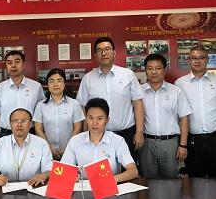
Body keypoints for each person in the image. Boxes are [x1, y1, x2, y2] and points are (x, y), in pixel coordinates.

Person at [76, 36, 145, 166]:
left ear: (114, 52)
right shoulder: (88, 79)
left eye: (107, 49)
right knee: (100, 172)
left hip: (127, 134)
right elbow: (83, 108)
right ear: (95, 55)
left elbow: (137, 103)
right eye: (99, 50)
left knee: (128, 171)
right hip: (98, 136)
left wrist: (139, 132)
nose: (104, 53)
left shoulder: (128, 75)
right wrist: (86, 134)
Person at [175, 45, 216, 178]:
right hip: (192, 139)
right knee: (195, 179)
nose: (197, 61)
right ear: (189, 60)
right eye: (193, 58)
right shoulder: (179, 83)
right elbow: (178, 113)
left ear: (207, 60)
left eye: (201, 57)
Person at [61, 98, 138, 183]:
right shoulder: (75, 141)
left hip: (109, 187)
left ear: (107, 120)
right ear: (86, 119)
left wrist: (114, 179)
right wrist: (70, 175)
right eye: (91, 118)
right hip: (83, 189)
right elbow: (63, 169)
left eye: (100, 118)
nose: (95, 123)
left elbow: (133, 171)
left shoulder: (117, 141)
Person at [141, 54, 192, 179]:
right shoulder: (138, 92)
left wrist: (183, 145)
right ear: (145, 71)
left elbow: (184, 119)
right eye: (150, 68)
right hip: (146, 143)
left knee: (171, 181)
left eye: (158, 68)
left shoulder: (176, 91)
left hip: (170, 143)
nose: (154, 72)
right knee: (148, 181)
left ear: (164, 70)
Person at [0, 108, 53, 186]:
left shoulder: (42, 143)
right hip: (6, 188)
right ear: (10, 124)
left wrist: (44, 175)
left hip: (33, 187)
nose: (19, 125)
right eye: (15, 121)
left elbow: (50, 171)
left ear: (30, 124)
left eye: (23, 121)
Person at [0, 50, 45, 141]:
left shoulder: (36, 87)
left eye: (17, 62)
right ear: (6, 66)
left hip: (30, 134)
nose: (13, 65)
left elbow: (41, 114)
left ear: (24, 65)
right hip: (5, 135)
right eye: (9, 62)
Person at [33, 68, 85, 160]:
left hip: (71, 151)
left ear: (64, 84)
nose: (55, 84)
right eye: (51, 81)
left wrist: (68, 148)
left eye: (59, 81)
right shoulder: (40, 105)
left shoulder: (74, 104)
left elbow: (77, 128)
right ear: (47, 84)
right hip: (46, 152)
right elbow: (38, 129)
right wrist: (49, 148)